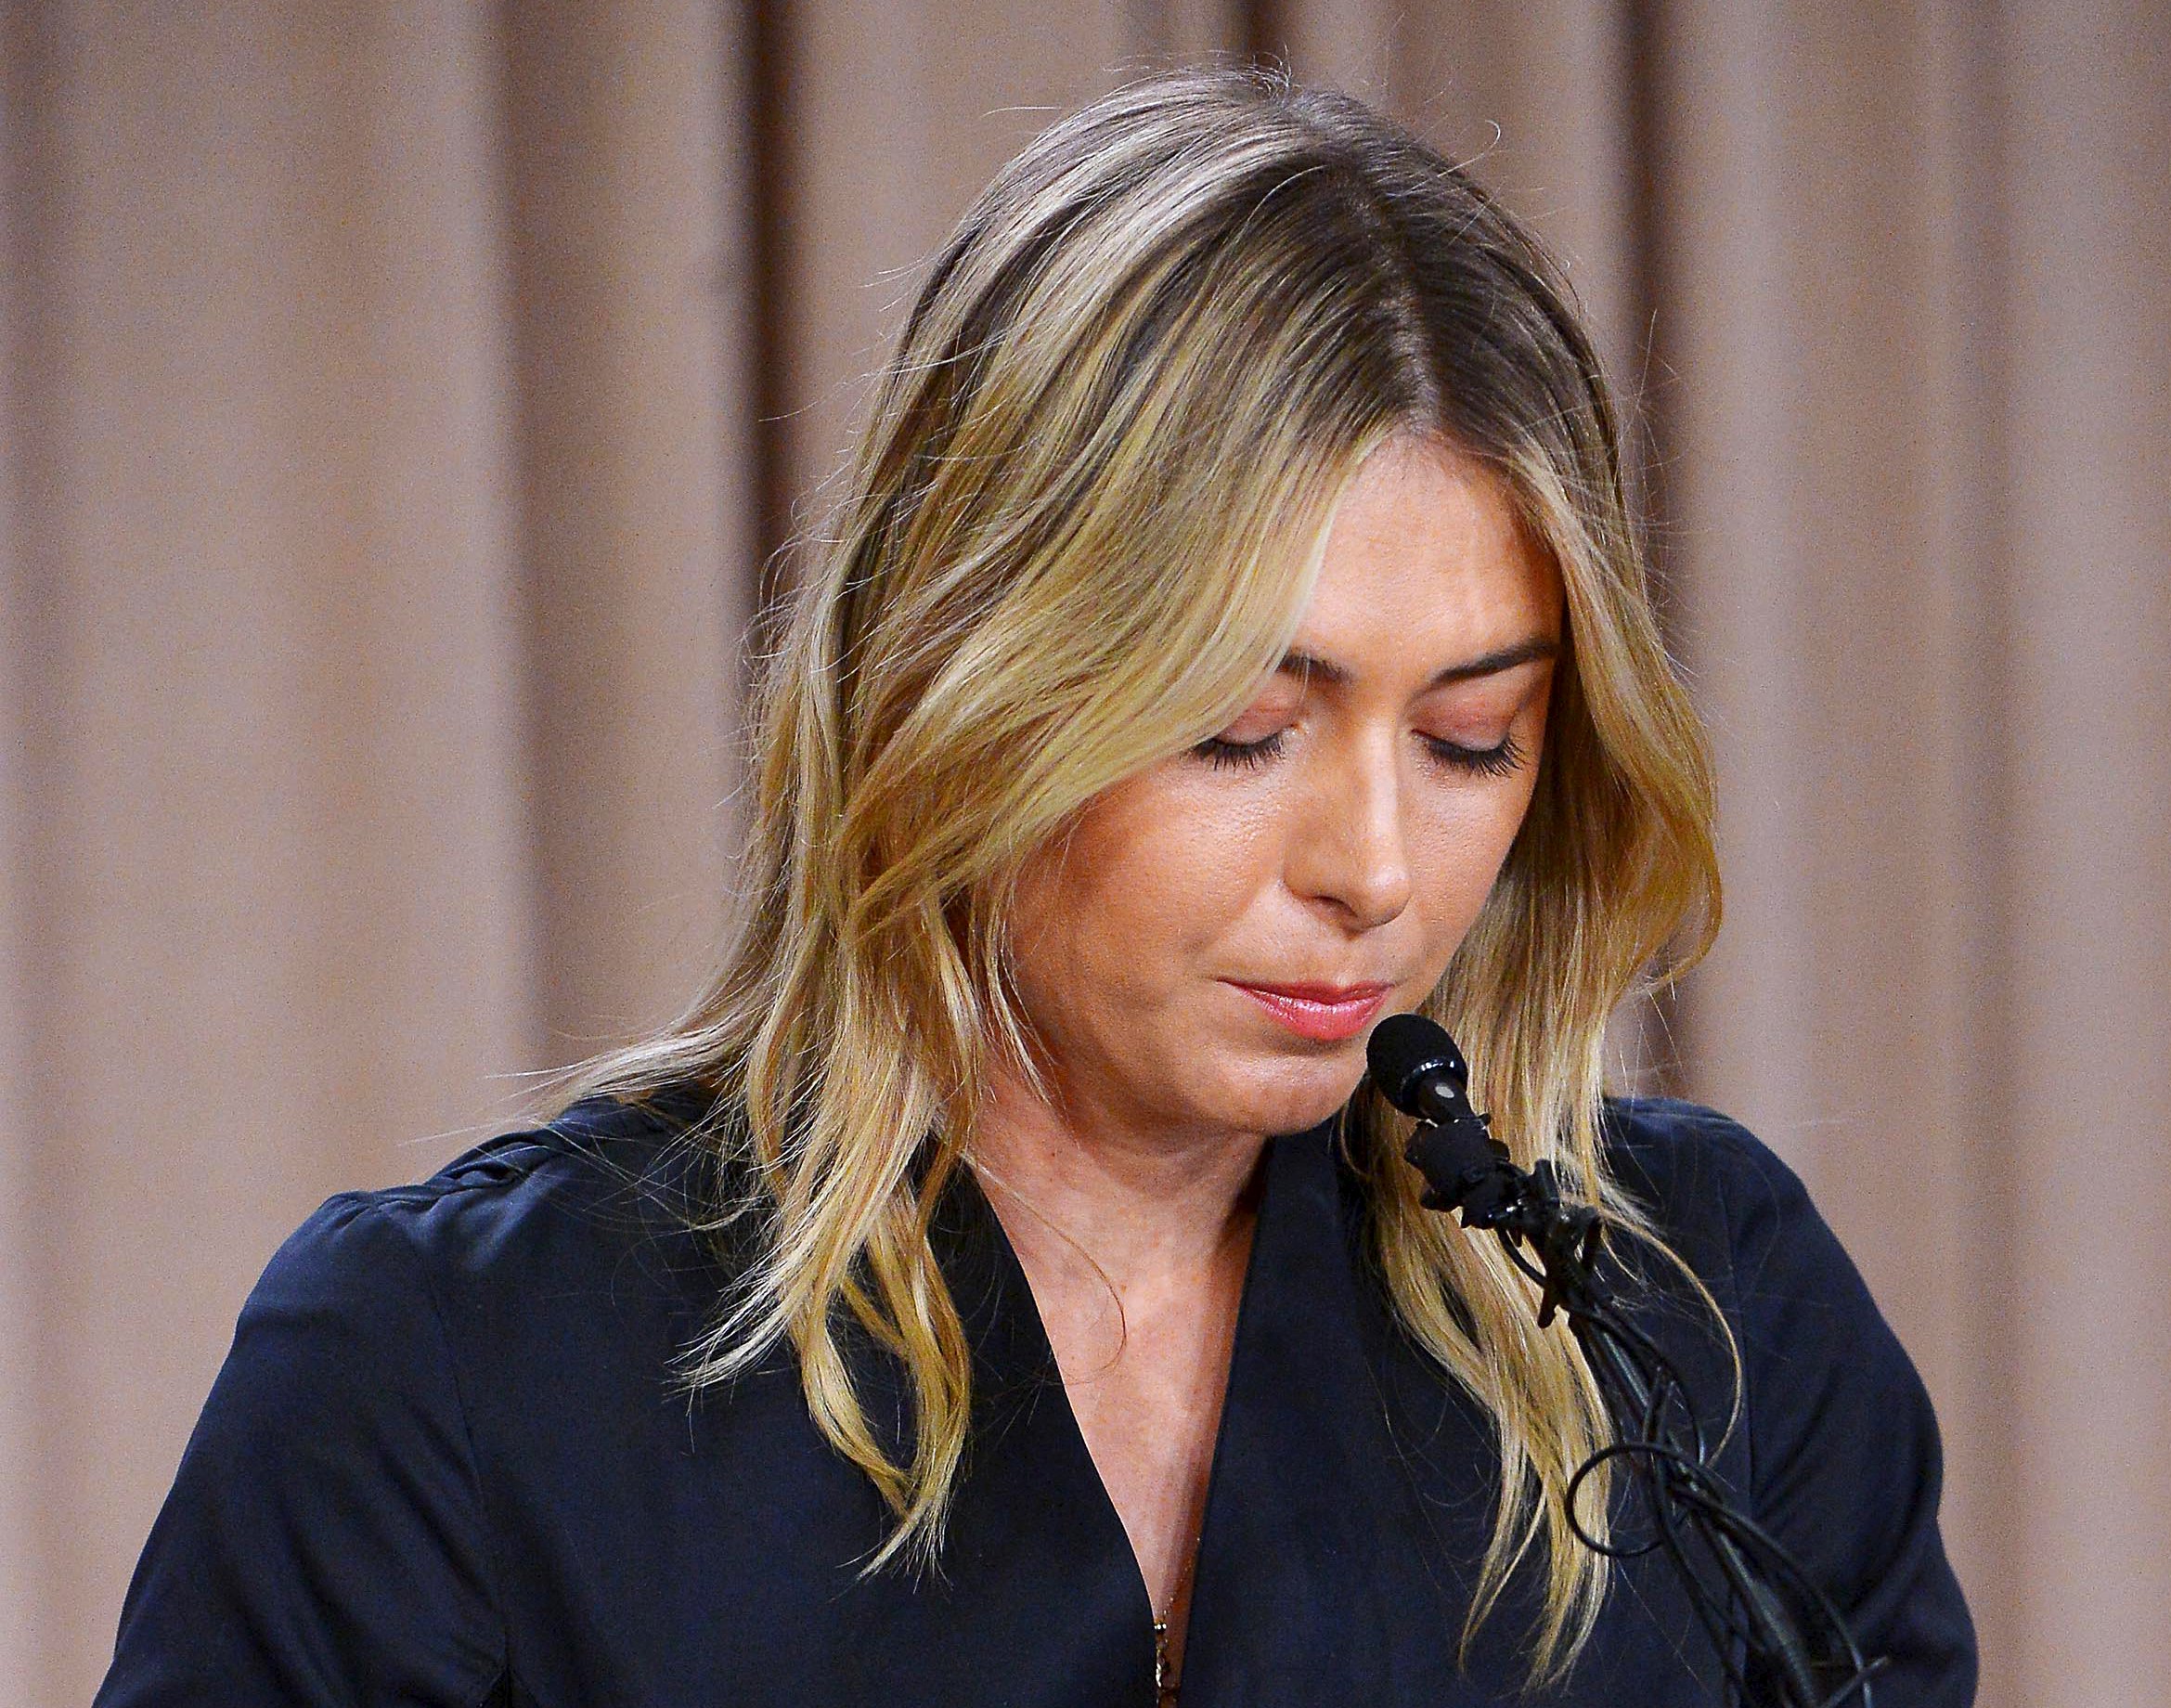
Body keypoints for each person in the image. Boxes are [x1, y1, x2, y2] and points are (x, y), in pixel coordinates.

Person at [96, 65, 1976, 1707]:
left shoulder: (1705, 1325)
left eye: (1472, 739)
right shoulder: (446, 1375)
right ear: (960, 683)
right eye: (1241, 731)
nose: (1376, 869)